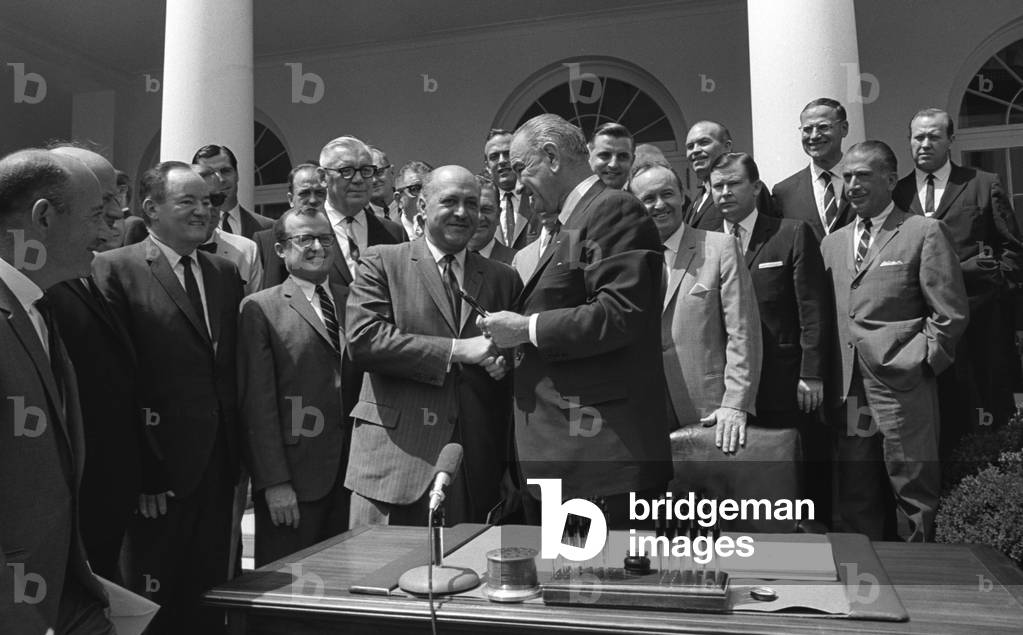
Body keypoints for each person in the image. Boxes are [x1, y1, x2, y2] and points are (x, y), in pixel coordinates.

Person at [480, 114, 671, 528]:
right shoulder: (576, 220)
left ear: (550, 156)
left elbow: (619, 314)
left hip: (598, 459)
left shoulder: (614, 209)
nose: (513, 183)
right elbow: (567, 301)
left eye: (519, 168)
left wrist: (525, 330)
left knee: (599, 588)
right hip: (561, 456)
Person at [93, 161, 244, 632]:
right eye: (188, 202)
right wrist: (144, 469)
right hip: (157, 478)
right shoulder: (115, 268)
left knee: (207, 598)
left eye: (209, 201)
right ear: (150, 208)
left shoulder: (224, 272)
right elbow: (115, 380)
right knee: (151, 602)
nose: (203, 211)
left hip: (218, 470)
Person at [345, 165, 522, 526]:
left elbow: (516, 360)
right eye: (450, 201)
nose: (462, 212)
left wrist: (504, 361)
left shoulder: (503, 277)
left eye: (471, 204)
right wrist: (458, 350)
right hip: (395, 466)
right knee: (379, 579)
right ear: (422, 207)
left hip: (474, 469)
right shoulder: (382, 261)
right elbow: (364, 340)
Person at [821, 141, 968, 542]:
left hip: (903, 386)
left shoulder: (923, 231)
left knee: (913, 487)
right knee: (857, 489)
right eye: (847, 176)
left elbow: (950, 311)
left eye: (863, 175)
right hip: (851, 391)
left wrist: (923, 362)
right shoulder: (831, 244)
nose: (852, 184)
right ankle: (866, 584)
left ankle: (920, 581)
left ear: (890, 179)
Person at [0, 149, 114, 633]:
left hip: (61, 596)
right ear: (43, 218)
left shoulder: (37, 308)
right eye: (95, 216)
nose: (108, 232)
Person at [892, 108, 1023, 455]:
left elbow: (1012, 248)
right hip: (923, 327)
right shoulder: (898, 195)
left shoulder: (982, 183)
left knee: (990, 412)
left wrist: (993, 290)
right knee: (941, 416)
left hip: (981, 323)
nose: (925, 143)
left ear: (951, 140)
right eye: (918, 137)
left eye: (934, 136)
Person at [711, 152, 832, 517]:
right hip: (726, 387)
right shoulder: (703, 244)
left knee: (794, 475)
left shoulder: (790, 233)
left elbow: (812, 308)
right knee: (740, 478)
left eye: (734, 184)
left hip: (784, 383)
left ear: (756, 187)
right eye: (717, 186)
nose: (725, 193)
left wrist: (811, 372)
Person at [46, 145, 143, 585]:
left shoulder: (86, 275)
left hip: (104, 491)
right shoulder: (37, 290)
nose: (111, 215)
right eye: (100, 200)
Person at [239, 208, 352, 565]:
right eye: (305, 239)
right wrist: (274, 483)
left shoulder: (357, 301)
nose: (318, 247)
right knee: (290, 590)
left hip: (354, 477)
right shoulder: (260, 308)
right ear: (281, 250)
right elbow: (258, 403)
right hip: (296, 482)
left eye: (325, 238)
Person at [629, 162, 762, 447]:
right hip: (644, 410)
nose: (659, 204)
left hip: (710, 409)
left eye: (667, 194)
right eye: (648, 199)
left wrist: (735, 403)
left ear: (683, 195)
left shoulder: (720, 247)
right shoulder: (626, 258)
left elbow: (743, 332)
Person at [320, 136, 406, 288]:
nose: (359, 179)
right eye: (346, 171)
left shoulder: (394, 234)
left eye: (366, 170)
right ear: (322, 177)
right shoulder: (299, 233)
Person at [772, 98, 856, 243]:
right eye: (807, 129)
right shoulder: (784, 193)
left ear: (844, 128)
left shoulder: (866, 181)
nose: (814, 136)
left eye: (823, 127)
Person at [684, 120, 774, 230]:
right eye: (690, 146)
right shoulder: (696, 202)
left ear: (727, 146)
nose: (695, 150)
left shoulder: (748, 190)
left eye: (704, 142)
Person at [194, 163, 263, 295]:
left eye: (216, 199)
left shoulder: (246, 250)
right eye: (202, 200)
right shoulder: (165, 248)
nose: (209, 207)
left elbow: (254, 311)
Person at [255, 163, 328, 289]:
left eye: (319, 193)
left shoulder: (339, 235)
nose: (313, 200)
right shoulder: (265, 241)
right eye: (304, 193)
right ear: (290, 199)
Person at [193, 143, 273, 238]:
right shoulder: (190, 228)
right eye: (210, 174)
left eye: (225, 171)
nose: (221, 179)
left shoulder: (268, 227)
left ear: (237, 174)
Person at [484, 128, 539, 249]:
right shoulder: (481, 208)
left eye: (507, 154)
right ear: (487, 166)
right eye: (494, 157)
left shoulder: (539, 198)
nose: (502, 161)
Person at [469, 174, 516, 264]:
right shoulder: (445, 262)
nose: (479, 217)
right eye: (472, 209)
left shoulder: (519, 262)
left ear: (498, 215)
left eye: (486, 209)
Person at [393, 160, 432, 240]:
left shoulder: (445, 232)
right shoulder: (387, 233)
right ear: (399, 199)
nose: (424, 196)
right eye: (415, 189)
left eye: (430, 188)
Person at [588, 122, 634, 190]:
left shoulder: (638, 199)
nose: (613, 165)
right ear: (589, 157)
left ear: (632, 161)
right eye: (605, 155)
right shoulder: (571, 199)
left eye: (622, 156)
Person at [366, 146, 397, 220]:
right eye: (367, 175)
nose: (374, 180)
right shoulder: (359, 216)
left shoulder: (410, 206)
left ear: (392, 171)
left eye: (379, 172)